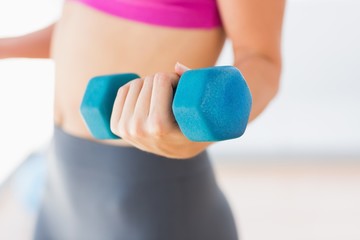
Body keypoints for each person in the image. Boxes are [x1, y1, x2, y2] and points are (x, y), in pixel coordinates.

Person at [0, 0, 285, 239]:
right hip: (61, 183)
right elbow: (87, 24)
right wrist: (6, 47)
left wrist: (201, 133)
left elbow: (262, 60)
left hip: (147, 194)